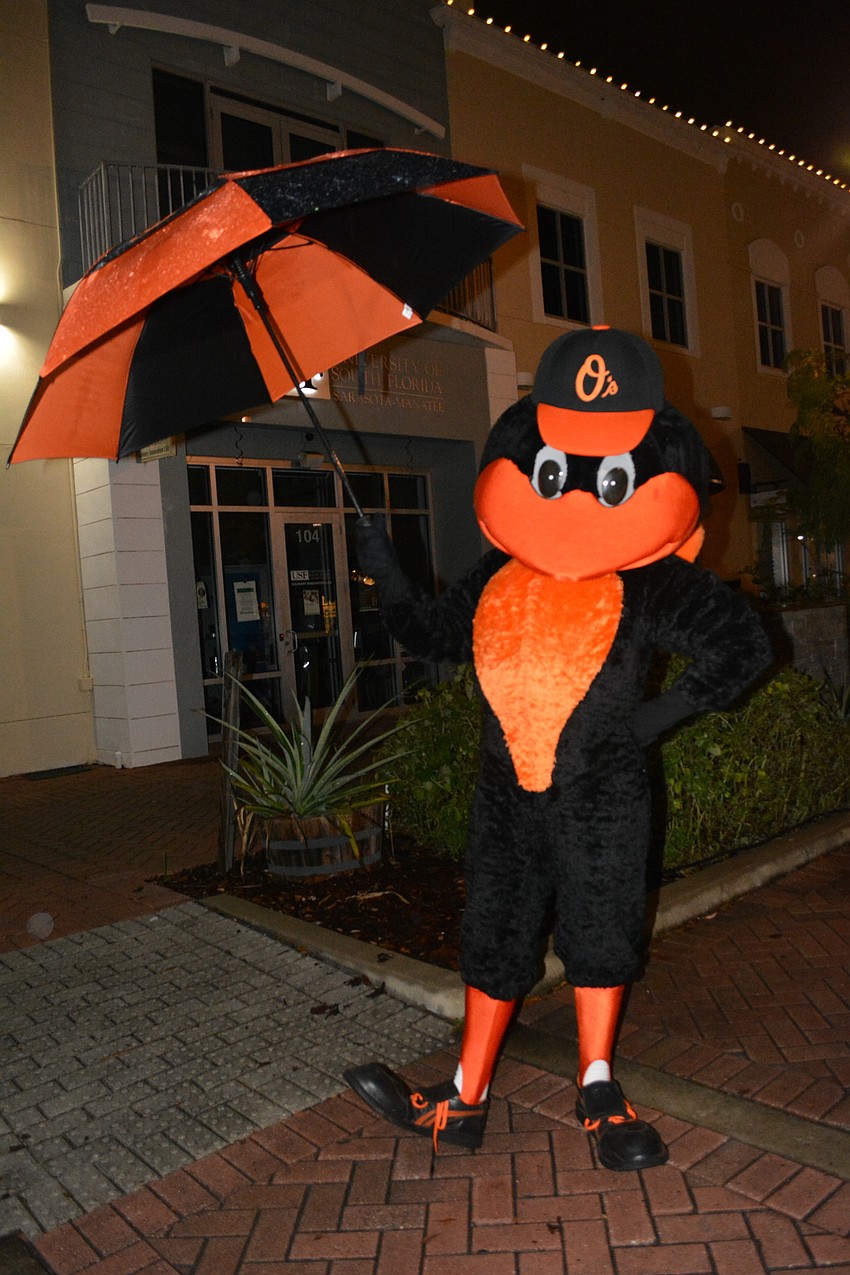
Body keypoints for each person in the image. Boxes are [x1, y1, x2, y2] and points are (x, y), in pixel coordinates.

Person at [345, 326, 772, 1170]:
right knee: (495, 929)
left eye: (608, 476)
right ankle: (463, 1097)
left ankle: (599, 1088)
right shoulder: (497, 576)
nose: (575, 496)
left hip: (603, 795)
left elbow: (744, 646)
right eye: (552, 471)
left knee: (601, 927)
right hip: (505, 795)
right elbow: (429, 632)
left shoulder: (652, 580)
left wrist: (654, 721)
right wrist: (385, 570)